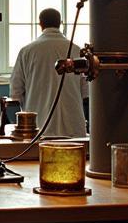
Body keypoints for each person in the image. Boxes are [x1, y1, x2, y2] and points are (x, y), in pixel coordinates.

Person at [9, 8, 88, 137]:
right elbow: (86, 93)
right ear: (60, 23)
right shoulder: (77, 50)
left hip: (38, 127)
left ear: (40, 24)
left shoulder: (27, 51)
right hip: (73, 128)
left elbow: (16, 92)